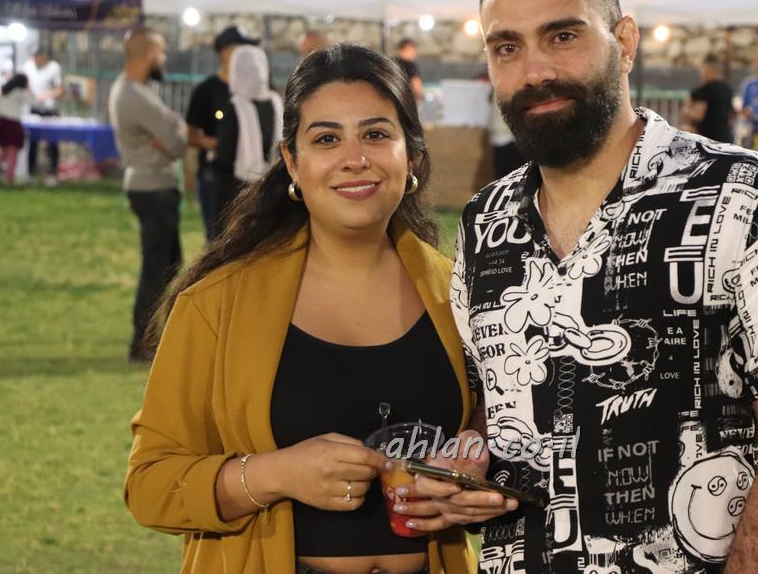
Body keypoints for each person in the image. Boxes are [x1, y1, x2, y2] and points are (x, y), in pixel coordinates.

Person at [416, 0, 758, 573]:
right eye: (507, 47)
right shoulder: (485, 223)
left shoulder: (742, 193)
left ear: (624, 42)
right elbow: (493, 407)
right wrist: (463, 469)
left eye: (563, 36)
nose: (535, 71)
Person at [124, 44, 508, 573]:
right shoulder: (217, 304)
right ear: (292, 162)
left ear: (412, 156)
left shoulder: (461, 296)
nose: (355, 158)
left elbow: (499, 438)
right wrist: (274, 475)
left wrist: (472, 467)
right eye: (327, 138)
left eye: (376, 134)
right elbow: (150, 485)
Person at [109, 27, 188, 363]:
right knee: (157, 270)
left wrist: (171, 127)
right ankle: (142, 344)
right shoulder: (137, 97)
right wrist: (174, 128)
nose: (165, 59)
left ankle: (155, 337)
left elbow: (171, 133)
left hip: (151, 184)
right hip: (153, 187)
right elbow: (178, 143)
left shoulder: (130, 90)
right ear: (147, 54)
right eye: (162, 52)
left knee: (168, 266)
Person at [186, 24, 261, 241]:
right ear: (226, 53)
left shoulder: (255, 91)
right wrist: (216, 143)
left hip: (251, 175)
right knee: (218, 239)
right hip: (216, 176)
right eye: (243, 50)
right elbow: (191, 134)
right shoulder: (207, 90)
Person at [209, 45, 283, 220]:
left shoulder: (235, 107)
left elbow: (226, 154)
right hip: (271, 186)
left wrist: (213, 158)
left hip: (236, 190)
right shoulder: (277, 102)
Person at [23, 47, 64, 186]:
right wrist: (32, 96)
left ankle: (52, 175)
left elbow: (60, 89)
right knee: (33, 143)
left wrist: (44, 96)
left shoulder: (54, 67)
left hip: (50, 109)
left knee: (52, 143)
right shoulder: (27, 67)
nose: (36, 59)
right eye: (34, 56)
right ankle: (30, 174)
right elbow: (24, 85)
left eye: (38, 56)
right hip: (34, 109)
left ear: (44, 57)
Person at [0, 73, 32, 184]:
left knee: (3, 152)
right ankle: (9, 178)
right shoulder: (19, 93)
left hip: (2, 123)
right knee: (13, 153)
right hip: (13, 124)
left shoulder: (4, 92)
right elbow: (34, 101)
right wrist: (29, 89)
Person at [682, 53, 734, 144]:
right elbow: (731, 113)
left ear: (706, 69)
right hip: (725, 137)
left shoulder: (704, 90)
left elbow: (697, 116)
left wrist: (686, 109)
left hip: (707, 139)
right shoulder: (727, 89)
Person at [395, 38, 425, 103]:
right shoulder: (409, 65)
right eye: (411, 50)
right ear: (401, 50)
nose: (414, 54)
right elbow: (415, 82)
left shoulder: (392, 63)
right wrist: (419, 95)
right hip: (407, 101)